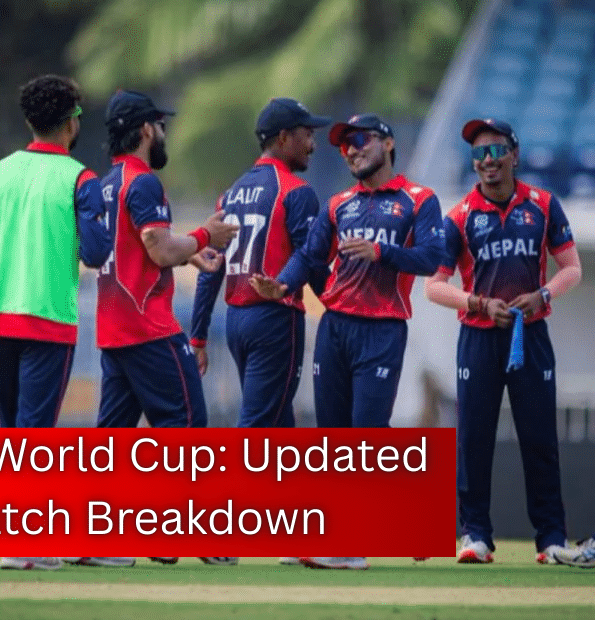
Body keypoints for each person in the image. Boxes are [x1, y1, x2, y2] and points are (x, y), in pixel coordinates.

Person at [252, 114, 444, 571]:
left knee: (365, 437)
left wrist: (382, 252)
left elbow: (432, 257)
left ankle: (351, 545)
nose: (352, 150)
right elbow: (309, 255)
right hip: (335, 326)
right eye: (344, 145)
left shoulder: (419, 199)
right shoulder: (340, 203)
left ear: (388, 143)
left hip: (383, 329)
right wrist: (282, 285)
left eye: (360, 140)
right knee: (334, 438)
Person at [425, 118, 582, 566]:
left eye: (496, 151)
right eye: (479, 154)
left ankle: (551, 539)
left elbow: (572, 268)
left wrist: (543, 295)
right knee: (473, 438)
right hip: (478, 337)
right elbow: (434, 286)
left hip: (530, 334)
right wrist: (477, 303)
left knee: (540, 437)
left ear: (514, 154)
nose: (488, 161)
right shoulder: (459, 216)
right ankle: (475, 535)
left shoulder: (543, 205)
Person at [95, 90, 237, 430]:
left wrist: (189, 255)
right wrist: (205, 235)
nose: (163, 134)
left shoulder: (105, 184)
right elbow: (159, 250)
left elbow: (135, 247)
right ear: (146, 129)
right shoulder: (142, 181)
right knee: (186, 423)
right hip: (149, 330)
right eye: (161, 126)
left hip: (115, 334)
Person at [190, 97, 330, 429]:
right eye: (307, 134)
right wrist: (341, 306)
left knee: (278, 419)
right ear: (283, 137)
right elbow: (310, 259)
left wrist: (198, 337)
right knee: (258, 424)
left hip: (236, 323)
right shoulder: (296, 191)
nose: (312, 144)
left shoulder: (229, 195)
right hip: (275, 322)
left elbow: (211, 269)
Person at [0, 74, 110, 430]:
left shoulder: (0, 171)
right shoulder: (81, 179)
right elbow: (95, 253)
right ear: (72, 122)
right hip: (49, 323)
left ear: (30, 122)